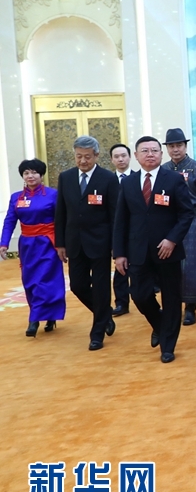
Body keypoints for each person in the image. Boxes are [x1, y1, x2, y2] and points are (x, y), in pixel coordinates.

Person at [113, 136, 193, 363]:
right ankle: (160, 325)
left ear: (161, 153)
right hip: (137, 250)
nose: (150, 154)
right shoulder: (128, 183)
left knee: (172, 299)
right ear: (136, 156)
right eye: (145, 151)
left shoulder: (174, 179)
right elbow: (121, 220)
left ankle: (168, 346)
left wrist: (172, 240)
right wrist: (119, 253)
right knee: (139, 295)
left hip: (167, 250)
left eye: (155, 150)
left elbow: (186, 214)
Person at [55, 135, 118, 350]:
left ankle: (97, 333)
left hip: (100, 242)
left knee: (101, 288)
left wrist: (115, 245)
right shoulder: (66, 177)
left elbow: (115, 215)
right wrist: (60, 243)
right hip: (74, 242)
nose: (83, 161)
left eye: (87, 157)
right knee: (77, 285)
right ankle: (105, 314)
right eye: (79, 156)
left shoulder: (108, 179)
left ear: (96, 156)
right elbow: (61, 213)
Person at [1, 159, 66, 336]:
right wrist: (4, 243)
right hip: (27, 245)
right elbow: (9, 221)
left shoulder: (53, 195)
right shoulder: (16, 197)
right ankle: (41, 313)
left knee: (46, 280)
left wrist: (63, 243)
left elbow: (61, 220)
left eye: (34, 172)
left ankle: (35, 319)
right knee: (30, 281)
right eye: (26, 173)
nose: (30, 176)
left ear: (41, 175)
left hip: (48, 243)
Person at [162, 128, 196, 326]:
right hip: (169, 221)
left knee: (193, 264)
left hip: (194, 220)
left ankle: (191, 306)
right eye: (172, 146)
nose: (175, 149)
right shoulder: (163, 170)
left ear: (185, 146)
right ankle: (172, 303)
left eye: (179, 145)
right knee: (169, 264)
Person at [110, 144, 135, 316]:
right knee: (120, 266)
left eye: (123, 155)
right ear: (112, 160)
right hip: (116, 230)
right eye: (116, 156)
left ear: (130, 157)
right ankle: (121, 303)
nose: (120, 159)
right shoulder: (107, 181)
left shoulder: (139, 178)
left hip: (136, 230)